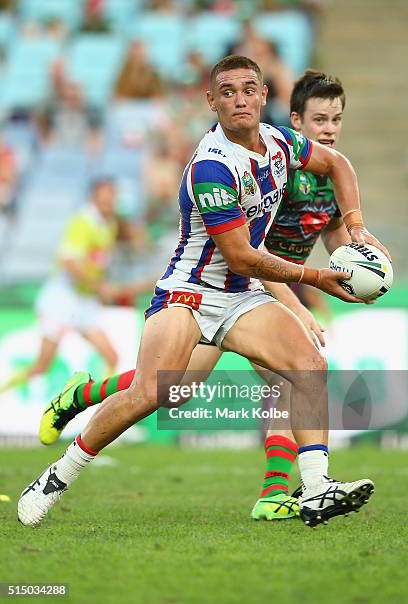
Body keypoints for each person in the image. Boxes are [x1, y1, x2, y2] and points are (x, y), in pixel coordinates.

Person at [18, 55, 388, 529]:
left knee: (310, 366)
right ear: (212, 101)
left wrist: (357, 229)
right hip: (189, 293)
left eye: (249, 89)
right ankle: (57, 476)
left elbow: (336, 163)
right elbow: (241, 256)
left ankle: (315, 489)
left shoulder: (279, 142)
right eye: (228, 91)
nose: (240, 99)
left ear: (263, 96)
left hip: (241, 296)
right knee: (154, 392)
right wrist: (317, 279)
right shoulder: (212, 167)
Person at [0, 177, 146, 395]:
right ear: (94, 197)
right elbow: (69, 263)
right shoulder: (83, 221)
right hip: (62, 298)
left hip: (84, 301)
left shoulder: (109, 223)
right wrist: (99, 286)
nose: (110, 201)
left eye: (112, 196)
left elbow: (112, 250)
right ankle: (3, 391)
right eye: (106, 196)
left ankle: (103, 412)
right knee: (41, 366)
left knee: (111, 356)